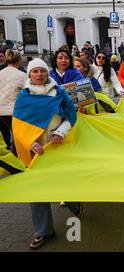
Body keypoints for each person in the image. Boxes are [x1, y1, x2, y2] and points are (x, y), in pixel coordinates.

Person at [12, 58, 81, 249]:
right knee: (36, 188)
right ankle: (43, 230)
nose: (40, 75)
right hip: (36, 149)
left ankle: (73, 199)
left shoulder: (59, 92)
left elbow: (71, 116)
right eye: (35, 72)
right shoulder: (23, 97)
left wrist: (61, 131)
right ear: (30, 75)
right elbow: (17, 126)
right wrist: (30, 142)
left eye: (43, 71)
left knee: (63, 179)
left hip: (58, 144)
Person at [0, 51, 26, 153]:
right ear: (19, 60)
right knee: (17, 137)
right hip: (14, 111)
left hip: (1, 110)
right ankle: (17, 157)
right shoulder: (22, 75)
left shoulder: (0, 73)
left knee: (4, 138)